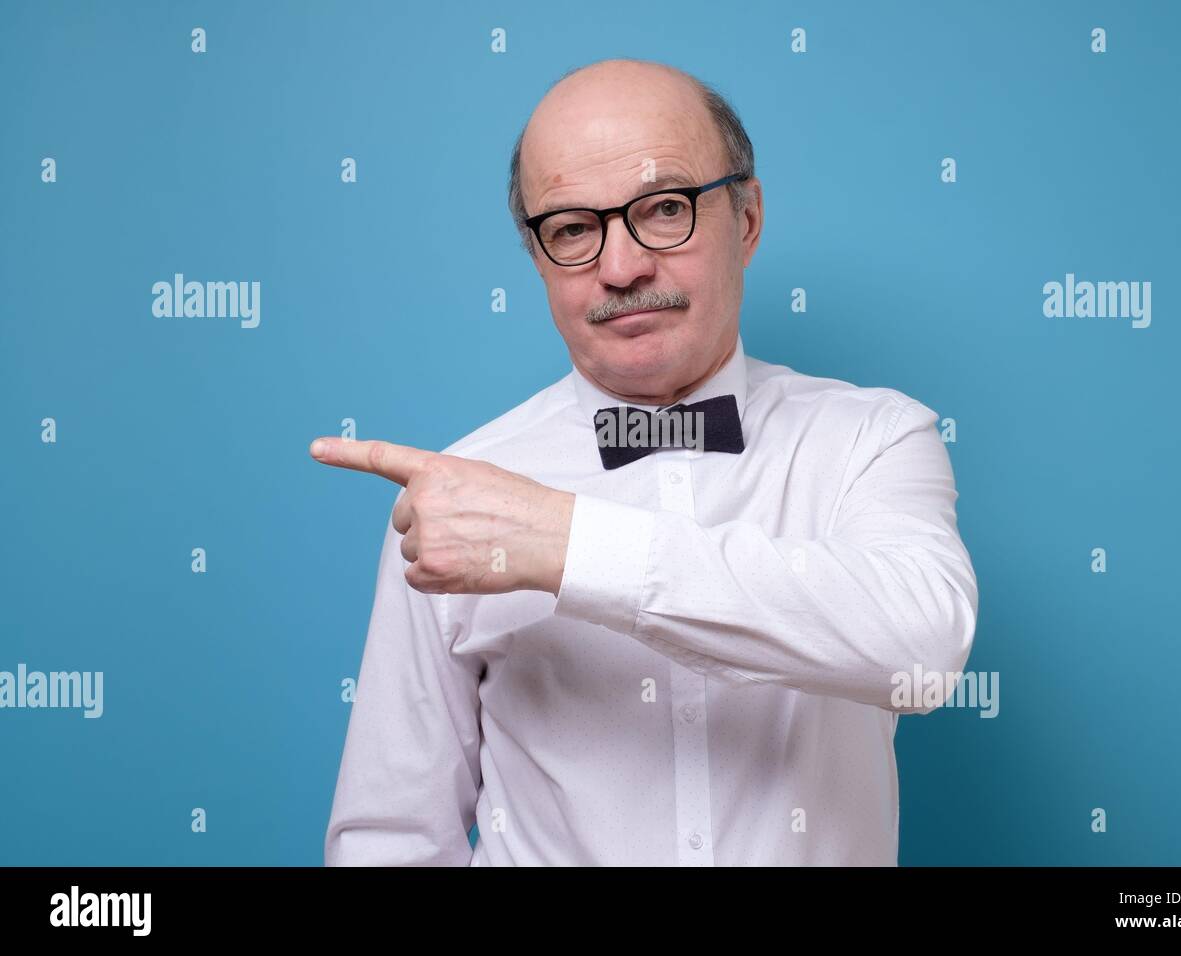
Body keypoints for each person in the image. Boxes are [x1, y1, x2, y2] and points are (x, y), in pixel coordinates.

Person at [315, 57, 978, 866]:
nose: (622, 268)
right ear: (536, 258)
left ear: (749, 218)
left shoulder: (871, 439)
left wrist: (564, 543)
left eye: (665, 210)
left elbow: (922, 648)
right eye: (572, 229)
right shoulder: (453, 499)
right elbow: (390, 839)